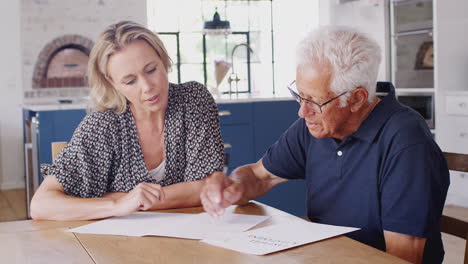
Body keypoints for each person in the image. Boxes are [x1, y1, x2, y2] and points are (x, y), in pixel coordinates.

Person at [200, 26, 449, 264]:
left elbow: (402, 258)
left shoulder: (406, 143)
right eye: (299, 95)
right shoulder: (315, 126)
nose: (301, 111)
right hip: (323, 254)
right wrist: (234, 187)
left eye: (314, 101)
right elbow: (260, 176)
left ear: (356, 99)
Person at [30, 21, 225, 220]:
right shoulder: (103, 125)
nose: (147, 86)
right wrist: (118, 204)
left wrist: (133, 200)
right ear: (112, 83)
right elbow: (41, 206)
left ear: (163, 59)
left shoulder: (192, 99)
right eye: (130, 81)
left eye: (151, 70)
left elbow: (204, 187)